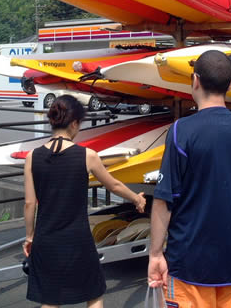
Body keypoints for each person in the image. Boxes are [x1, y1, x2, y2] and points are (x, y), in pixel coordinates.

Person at [148, 50, 231, 308]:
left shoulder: (182, 130)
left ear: (195, 81)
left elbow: (164, 200)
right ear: (229, 85)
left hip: (189, 263)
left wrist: (156, 253)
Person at [23, 94, 146, 308]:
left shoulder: (32, 157)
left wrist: (30, 236)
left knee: (50, 300)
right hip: (77, 239)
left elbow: (29, 204)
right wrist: (136, 198)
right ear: (74, 123)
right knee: (94, 294)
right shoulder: (87, 155)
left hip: (46, 238)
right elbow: (114, 185)